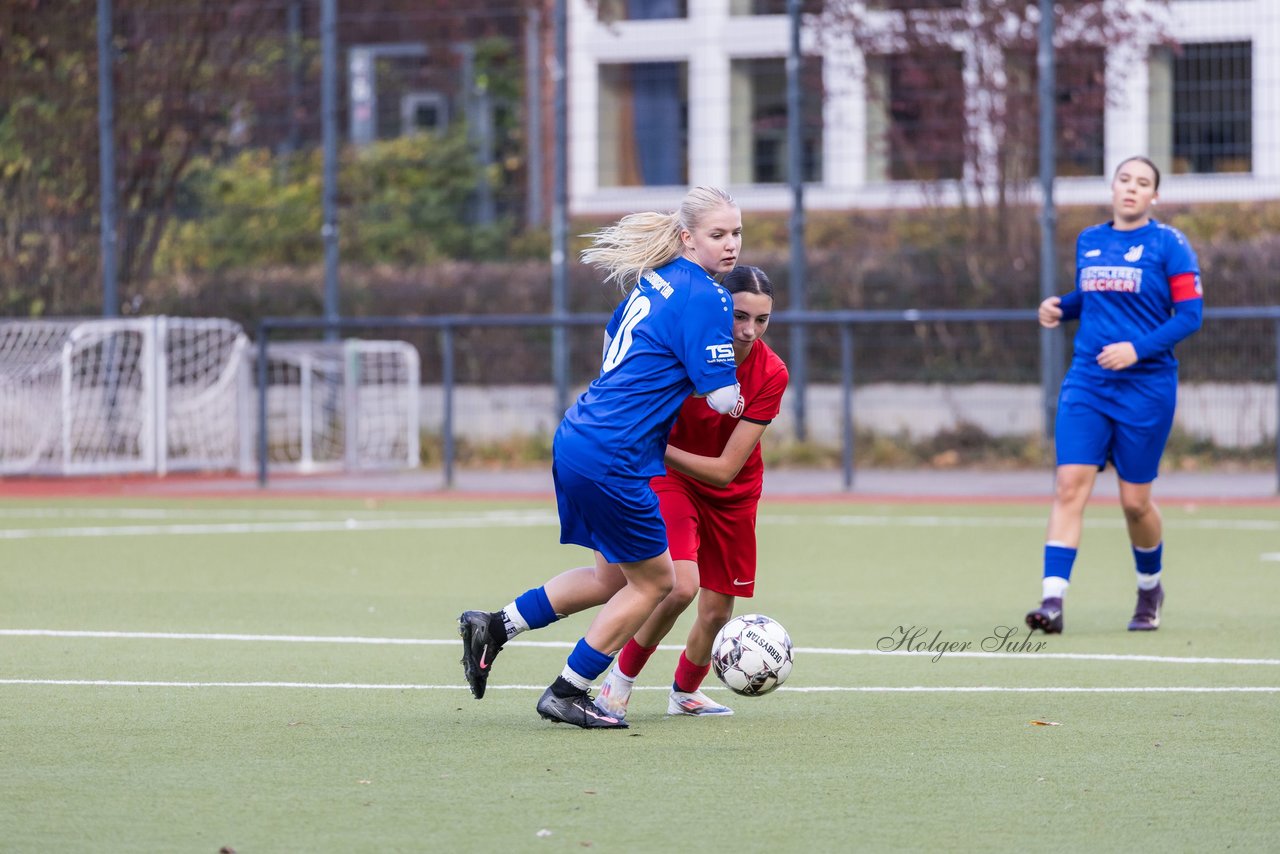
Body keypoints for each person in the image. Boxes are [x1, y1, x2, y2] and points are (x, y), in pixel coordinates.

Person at [457, 186, 744, 729]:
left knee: (611, 578)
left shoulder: (654, 280)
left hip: (579, 434)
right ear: (687, 237)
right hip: (615, 454)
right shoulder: (709, 296)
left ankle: (494, 626)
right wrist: (738, 394)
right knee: (656, 583)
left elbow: (618, 344)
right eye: (718, 234)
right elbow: (720, 396)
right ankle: (568, 690)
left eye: (736, 233)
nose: (730, 245)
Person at [591, 265, 788, 720]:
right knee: (680, 587)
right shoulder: (682, 348)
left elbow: (724, 471)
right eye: (739, 316)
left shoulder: (772, 372)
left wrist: (655, 445)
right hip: (670, 479)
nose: (749, 330)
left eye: (761, 320)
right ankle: (618, 683)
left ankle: (684, 693)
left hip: (731, 489)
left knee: (717, 612)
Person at [1025, 155, 1204, 635]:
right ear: (1113, 186)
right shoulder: (1090, 239)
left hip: (1146, 388)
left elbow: (1190, 316)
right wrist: (1061, 307)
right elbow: (1094, 298)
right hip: (1088, 381)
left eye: (1142, 183)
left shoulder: (1170, 245)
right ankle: (1052, 602)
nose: (1131, 188)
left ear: (1154, 196)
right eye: (1125, 179)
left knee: (1135, 503)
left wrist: (1136, 350)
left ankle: (1150, 589)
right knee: (1069, 486)